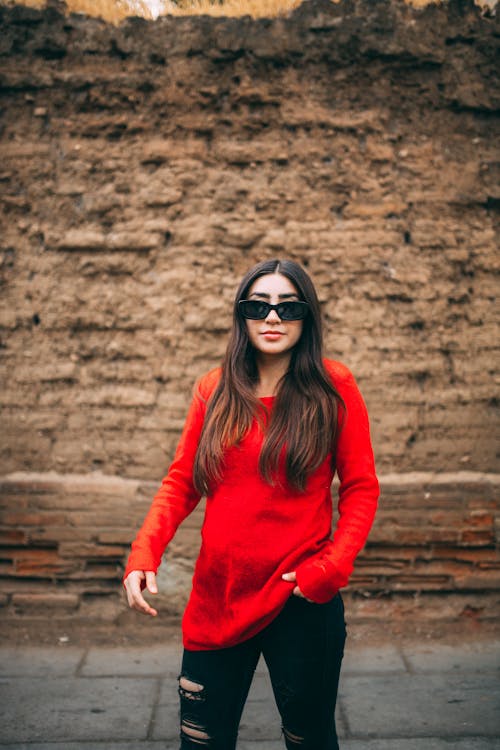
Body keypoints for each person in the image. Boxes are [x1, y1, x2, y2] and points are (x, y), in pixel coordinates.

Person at [123, 258, 379, 750]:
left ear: (307, 316)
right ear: (241, 315)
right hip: (219, 597)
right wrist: (143, 554)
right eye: (258, 305)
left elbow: (362, 487)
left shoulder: (333, 386)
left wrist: (331, 568)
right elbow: (181, 482)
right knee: (202, 742)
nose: (273, 317)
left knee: (310, 739)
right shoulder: (213, 389)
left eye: (288, 305)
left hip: (300, 598)